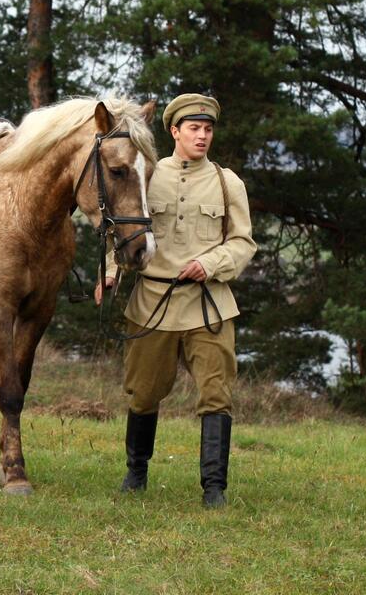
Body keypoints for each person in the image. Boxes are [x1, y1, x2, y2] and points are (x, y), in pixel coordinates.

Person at [97, 93, 257, 507]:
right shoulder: (148, 175)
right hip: (153, 303)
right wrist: (110, 273)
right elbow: (120, 227)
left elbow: (243, 243)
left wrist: (212, 262)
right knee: (144, 393)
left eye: (208, 129)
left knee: (216, 395)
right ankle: (136, 472)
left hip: (209, 305)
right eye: (194, 129)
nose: (203, 136)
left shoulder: (228, 183)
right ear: (174, 131)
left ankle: (215, 489)